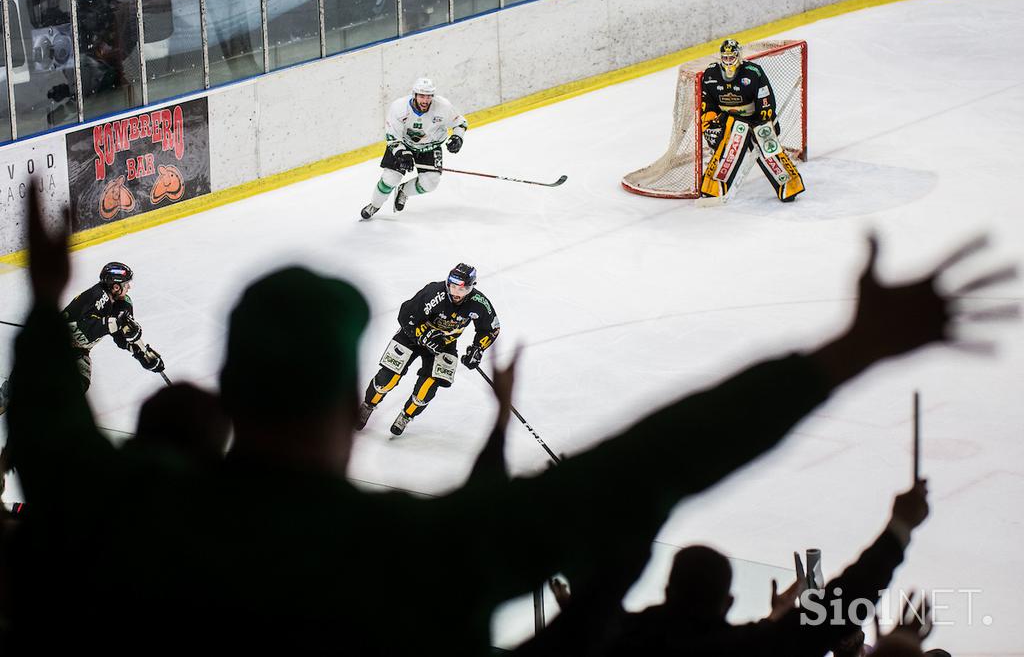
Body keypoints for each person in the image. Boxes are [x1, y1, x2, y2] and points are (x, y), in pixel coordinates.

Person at [6, 178, 1015, 655]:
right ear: (348, 417)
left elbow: (45, 424)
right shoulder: (416, 553)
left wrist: (48, 297)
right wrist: (846, 350)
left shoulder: (109, 511)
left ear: (229, 396)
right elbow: (642, 467)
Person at [603, 481, 931, 657]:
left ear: (668, 590)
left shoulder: (611, 640)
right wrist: (899, 527)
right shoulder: (746, 650)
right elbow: (834, 613)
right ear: (727, 603)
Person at [357, 262, 500, 435]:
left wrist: (478, 349)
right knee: (387, 379)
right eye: (453, 287)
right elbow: (405, 315)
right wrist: (419, 336)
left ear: (471, 287)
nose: (456, 293)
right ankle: (367, 405)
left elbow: (491, 328)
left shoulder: (479, 303)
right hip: (411, 337)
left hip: (444, 344)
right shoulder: (434, 292)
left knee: (426, 389)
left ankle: (406, 416)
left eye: (462, 290)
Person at [699, 39, 805, 202]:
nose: (728, 61)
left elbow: (766, 100)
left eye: (731, 57)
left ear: (739, 56)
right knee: (729, 149)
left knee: (766, 144)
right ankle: (713, 187)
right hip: (732, 122)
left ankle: (790, 186)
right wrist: (710, 122)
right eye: (725, 57)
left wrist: (763, 122)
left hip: (757, 119)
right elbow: (708, 104)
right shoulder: (710, 75)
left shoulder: (753, 72)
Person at [360, 77, 468, 220]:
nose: (425, 100)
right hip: (404, 145)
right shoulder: (399, 108)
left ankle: (404, 191)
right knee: (390, 178)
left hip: (430, 146)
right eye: (422, 96)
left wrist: (457, 137)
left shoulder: (443, 106)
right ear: (414, 95)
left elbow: (460, 122)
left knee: (430, 182)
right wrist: (401, 153)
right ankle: (375, 204)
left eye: (428, 96)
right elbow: (392, 137)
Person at [62, 261, 165, 390]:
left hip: (79, 351)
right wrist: (116, 322)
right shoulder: (99, 295)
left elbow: (121, 337)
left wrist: (143, 354)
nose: (129, 287)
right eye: (126, 284)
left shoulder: (121, 303)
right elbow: (87, 328)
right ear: (116, 287)